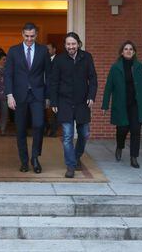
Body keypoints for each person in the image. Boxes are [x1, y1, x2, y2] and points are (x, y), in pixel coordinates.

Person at [4, 22, 51, 173]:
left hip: (37, 95)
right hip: (19, 96)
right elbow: (8, 75)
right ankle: (24, 161)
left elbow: (49, 75)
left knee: (38, 125)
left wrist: (48, 96)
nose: (29, 39)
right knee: (21, 129)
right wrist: (9, 95)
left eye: (32, 36)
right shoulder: (13, 51)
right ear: (22, 34)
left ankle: (35, 158)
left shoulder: (43, 50)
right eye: (26, 36)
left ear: (36, 35)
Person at [50, 32, 97, 178]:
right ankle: (70, 165)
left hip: (82, 102)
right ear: (65, 45)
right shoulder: (58, 59)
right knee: (67, 136)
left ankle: (76, 157)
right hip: (64, 102)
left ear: (78, 44)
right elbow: (53, 82)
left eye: (73, 44)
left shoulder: (86, 57)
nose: (71, 46)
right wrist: (54, 101)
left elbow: (93, 78)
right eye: (68, 44)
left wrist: (91, 96)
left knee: (84, 134)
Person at [101, 40, 142, 169]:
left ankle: (133, 157)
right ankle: (119, 146)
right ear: (122, 52)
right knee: (122, 129)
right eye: (126, 49)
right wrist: (105, 105)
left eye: (131, 49)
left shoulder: (139, 67)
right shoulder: (115, 67)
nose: (128, 51)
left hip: (136, 104)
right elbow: (109, 87)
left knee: (135, 130)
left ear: (134, 52)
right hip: (121, 104)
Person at [45, 43, 58, 137]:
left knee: (54, 112)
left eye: (48, 49)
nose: (47, 51)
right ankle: (47, 129)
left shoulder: (59, 60)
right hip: (45, 90)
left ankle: (53, 131)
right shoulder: (45, 60)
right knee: (45, 111)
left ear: (54, 49)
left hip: (55, 90)